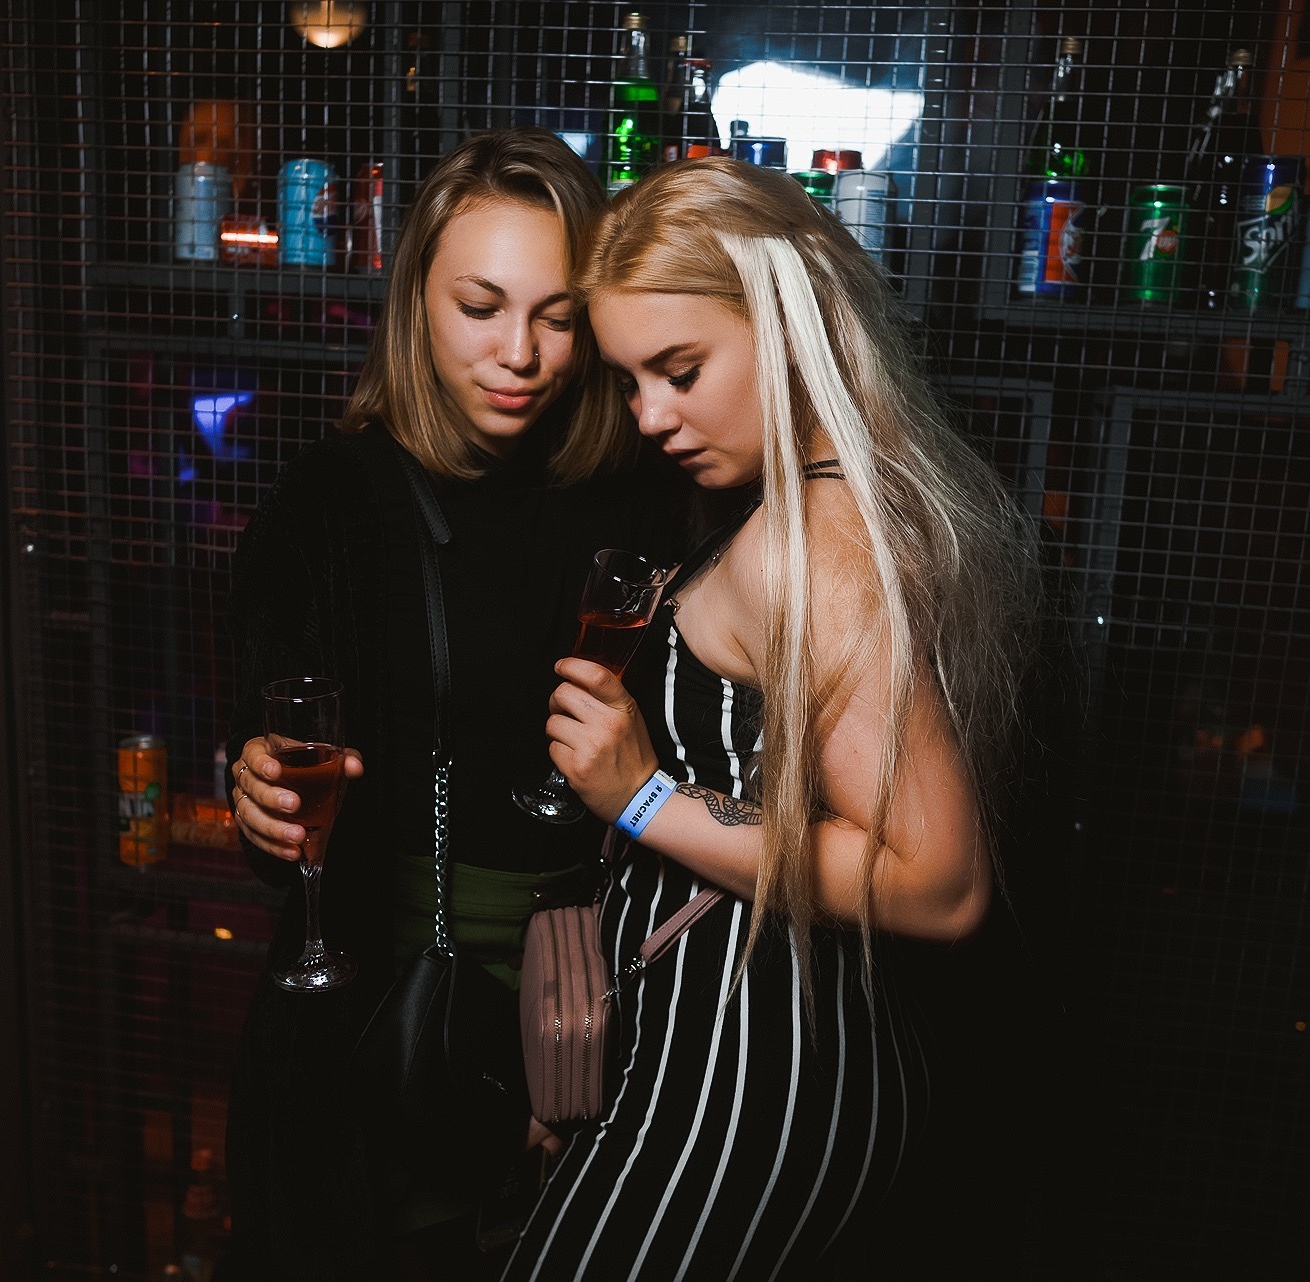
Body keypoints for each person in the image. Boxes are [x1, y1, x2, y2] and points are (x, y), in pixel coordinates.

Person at [502, 157, 1042, 1278]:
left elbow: (939, 882)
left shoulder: (815, 547)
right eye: (630, 380)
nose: (651, 416)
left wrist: (641, 796)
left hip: (739, 1072)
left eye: (681, 370)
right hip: (752, 1051)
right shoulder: (828, 502)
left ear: (789, 321)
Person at [220, 129, 685, 1280]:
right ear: (415, 298)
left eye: (558, 317)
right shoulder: (333, 504)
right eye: (480, 306)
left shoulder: (646, 495)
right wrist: (258, 799)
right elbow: (277, 770)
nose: (518, 353)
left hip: (599, 998)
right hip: (388, 1013)